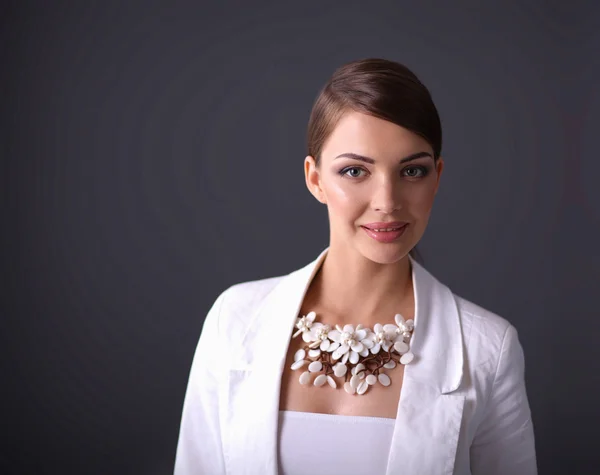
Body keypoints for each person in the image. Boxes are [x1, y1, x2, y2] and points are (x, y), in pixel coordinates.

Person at [173, 58, 537, 475]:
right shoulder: (233, 320)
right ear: (315, 180)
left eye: (412, 171)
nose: (387, 200)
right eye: (354, 171)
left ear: (436, 177)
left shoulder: (488, 348)